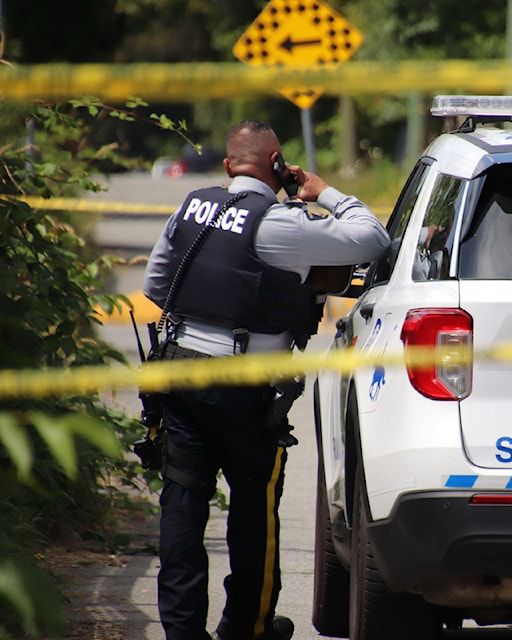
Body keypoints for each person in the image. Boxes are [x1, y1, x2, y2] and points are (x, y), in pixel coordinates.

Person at [143, 120, 390, 640]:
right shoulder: (279, 224)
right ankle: (246, 628)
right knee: (254, 509)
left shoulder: (192, 206)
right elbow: (372, 238)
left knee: (183, 504)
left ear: (228, 165)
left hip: (179, 376)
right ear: (277, 164)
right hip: (244, 391)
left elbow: (156, 284)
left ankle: (182, 633)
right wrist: (324, 192)